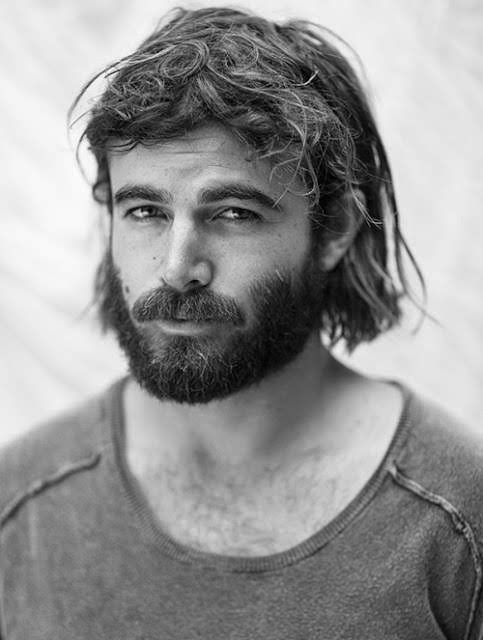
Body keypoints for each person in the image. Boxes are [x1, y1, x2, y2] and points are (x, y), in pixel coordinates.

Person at [1, 6, 482, 638]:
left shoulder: (456, 518)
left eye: (233, 213)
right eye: (145, 211)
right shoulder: (23, 502)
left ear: (335, 229)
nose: (177, 269)